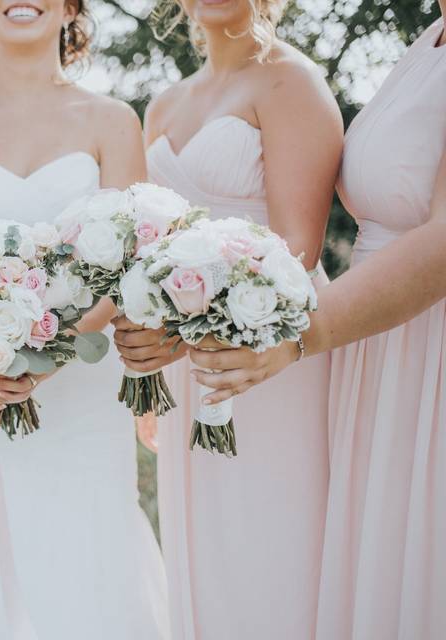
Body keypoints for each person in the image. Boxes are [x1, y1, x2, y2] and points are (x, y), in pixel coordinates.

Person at [0, 2, 168, 638]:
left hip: (81, 395)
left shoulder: (112, 122)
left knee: (83, 565)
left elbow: (131, 265)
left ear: (71, 7)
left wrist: (50, 350)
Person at [190, 5, 446, 637]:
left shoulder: (290, 80)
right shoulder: (430, 39)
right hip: (380, 342)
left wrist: (300, 332)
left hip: (425, 342)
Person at [113, 1, 344, 637]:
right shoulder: (164, 105)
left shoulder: (291, 83)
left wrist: (185, 332)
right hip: (187, 364)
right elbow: (147, 244)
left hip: (268, 352)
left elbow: (297, 251)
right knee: (203, 550)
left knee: (271, 542)